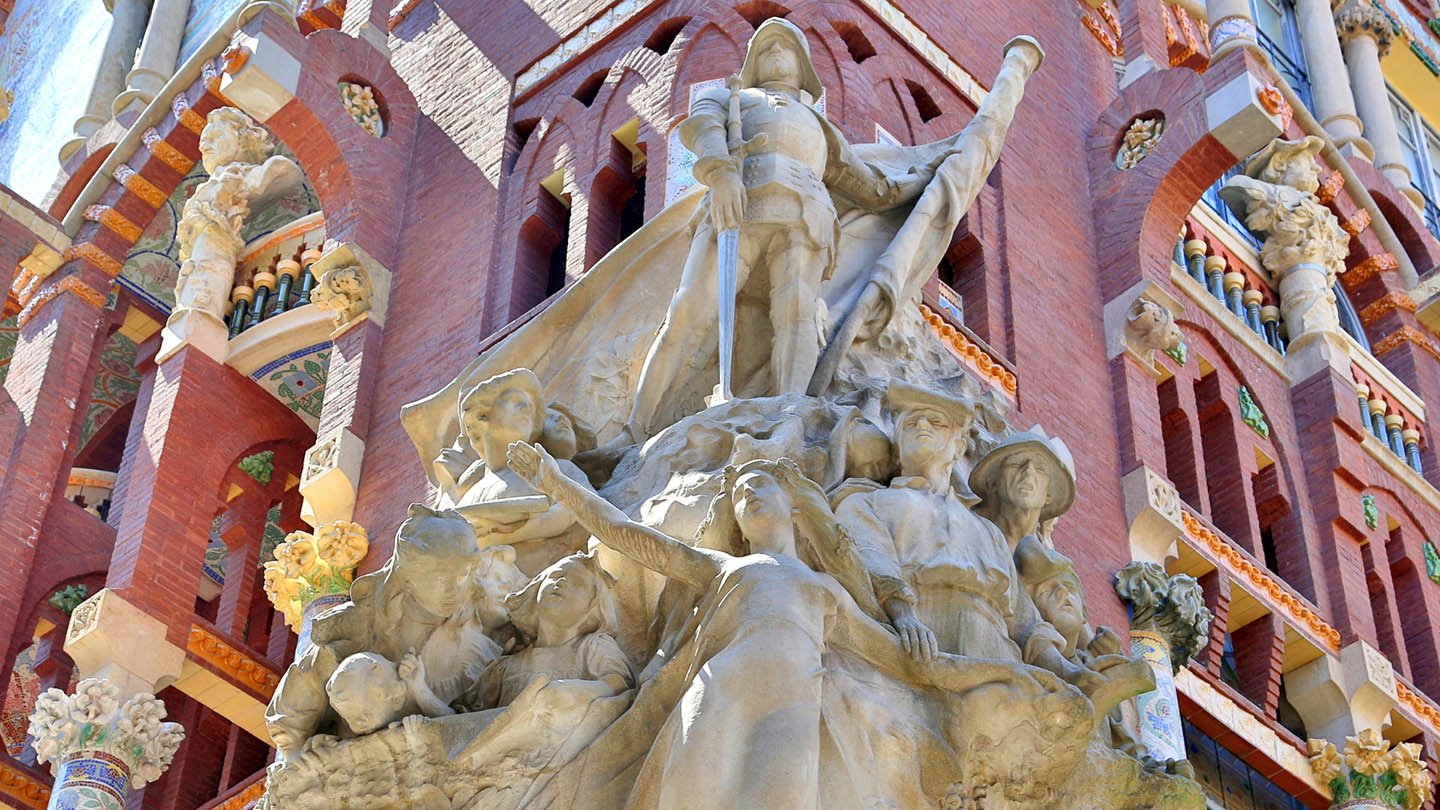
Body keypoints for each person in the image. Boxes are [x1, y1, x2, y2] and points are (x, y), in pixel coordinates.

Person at [507, 440, 1066, 810]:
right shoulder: (724, 567)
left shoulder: (826, 592)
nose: (747, 495)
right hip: (720, 690)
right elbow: (629, 536)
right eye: (738, 494)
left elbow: (916, 666)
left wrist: (1006, 673)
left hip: (794, 706)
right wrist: (557, 483)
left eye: (759, 485)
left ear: (794, 504)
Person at [618, 19, 922, 442]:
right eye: (766, 49)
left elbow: (872, 189)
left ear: (803, 66)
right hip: (735, 208)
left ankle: (789, 416)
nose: (775, 54)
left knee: (797, 311)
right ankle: (634, 429)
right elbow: (702, 126)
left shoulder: (823, 129)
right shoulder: (731, 98)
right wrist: (720, 172)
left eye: (784, 47)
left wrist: (929, 175)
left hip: (804, 217)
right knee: (689, 309)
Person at [835, 379, 1099, 694]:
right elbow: (871, 558)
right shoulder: (865, 501)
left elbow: (1026, 624)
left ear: (958, 448)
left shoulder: (988, 532)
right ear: (897, 444)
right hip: (922, 644)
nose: (922, 426)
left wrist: (1069, 672)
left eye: (936, 422)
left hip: (996, 660)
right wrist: (903, 615)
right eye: (911, 423)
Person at [451, 368, 595, 574]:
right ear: (483, 416)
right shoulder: (469, 497)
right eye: (515, 400)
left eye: (529, 406)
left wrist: (496, 536)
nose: (526, 408)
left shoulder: (555, 468)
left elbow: (582, 510)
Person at [969, 426, 1076, 550]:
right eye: (1015, 463)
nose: (1028, 471)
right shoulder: (964, 529)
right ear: (993, 483)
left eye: (1040, 469)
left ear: (1048, 494)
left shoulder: (1049, 561)